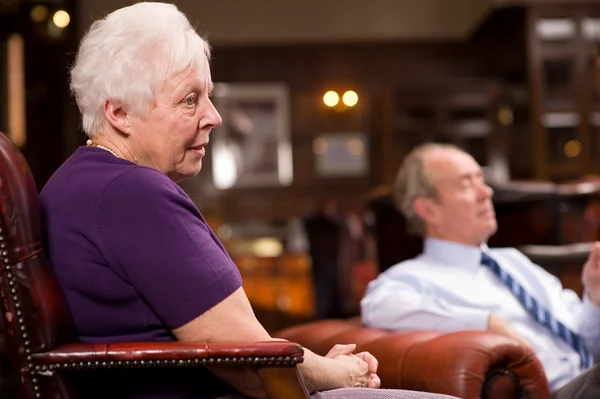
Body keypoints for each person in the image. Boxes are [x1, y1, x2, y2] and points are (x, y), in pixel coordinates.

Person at [39, 3, 457, 399]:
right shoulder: (132, 193)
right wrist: (344, 373)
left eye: (207, 96)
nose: (214, 116)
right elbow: (251, 359)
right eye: (189, 100)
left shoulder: (76, 183)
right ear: (119, 113)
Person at [360, 143, 600, 399]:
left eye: (481, 181)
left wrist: (595, 296)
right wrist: (486, 322)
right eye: (466, 184)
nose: (486, 192)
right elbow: (377, 307)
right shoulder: (408, 279)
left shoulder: (514, 262)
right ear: (428, 209)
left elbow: (587, 342)